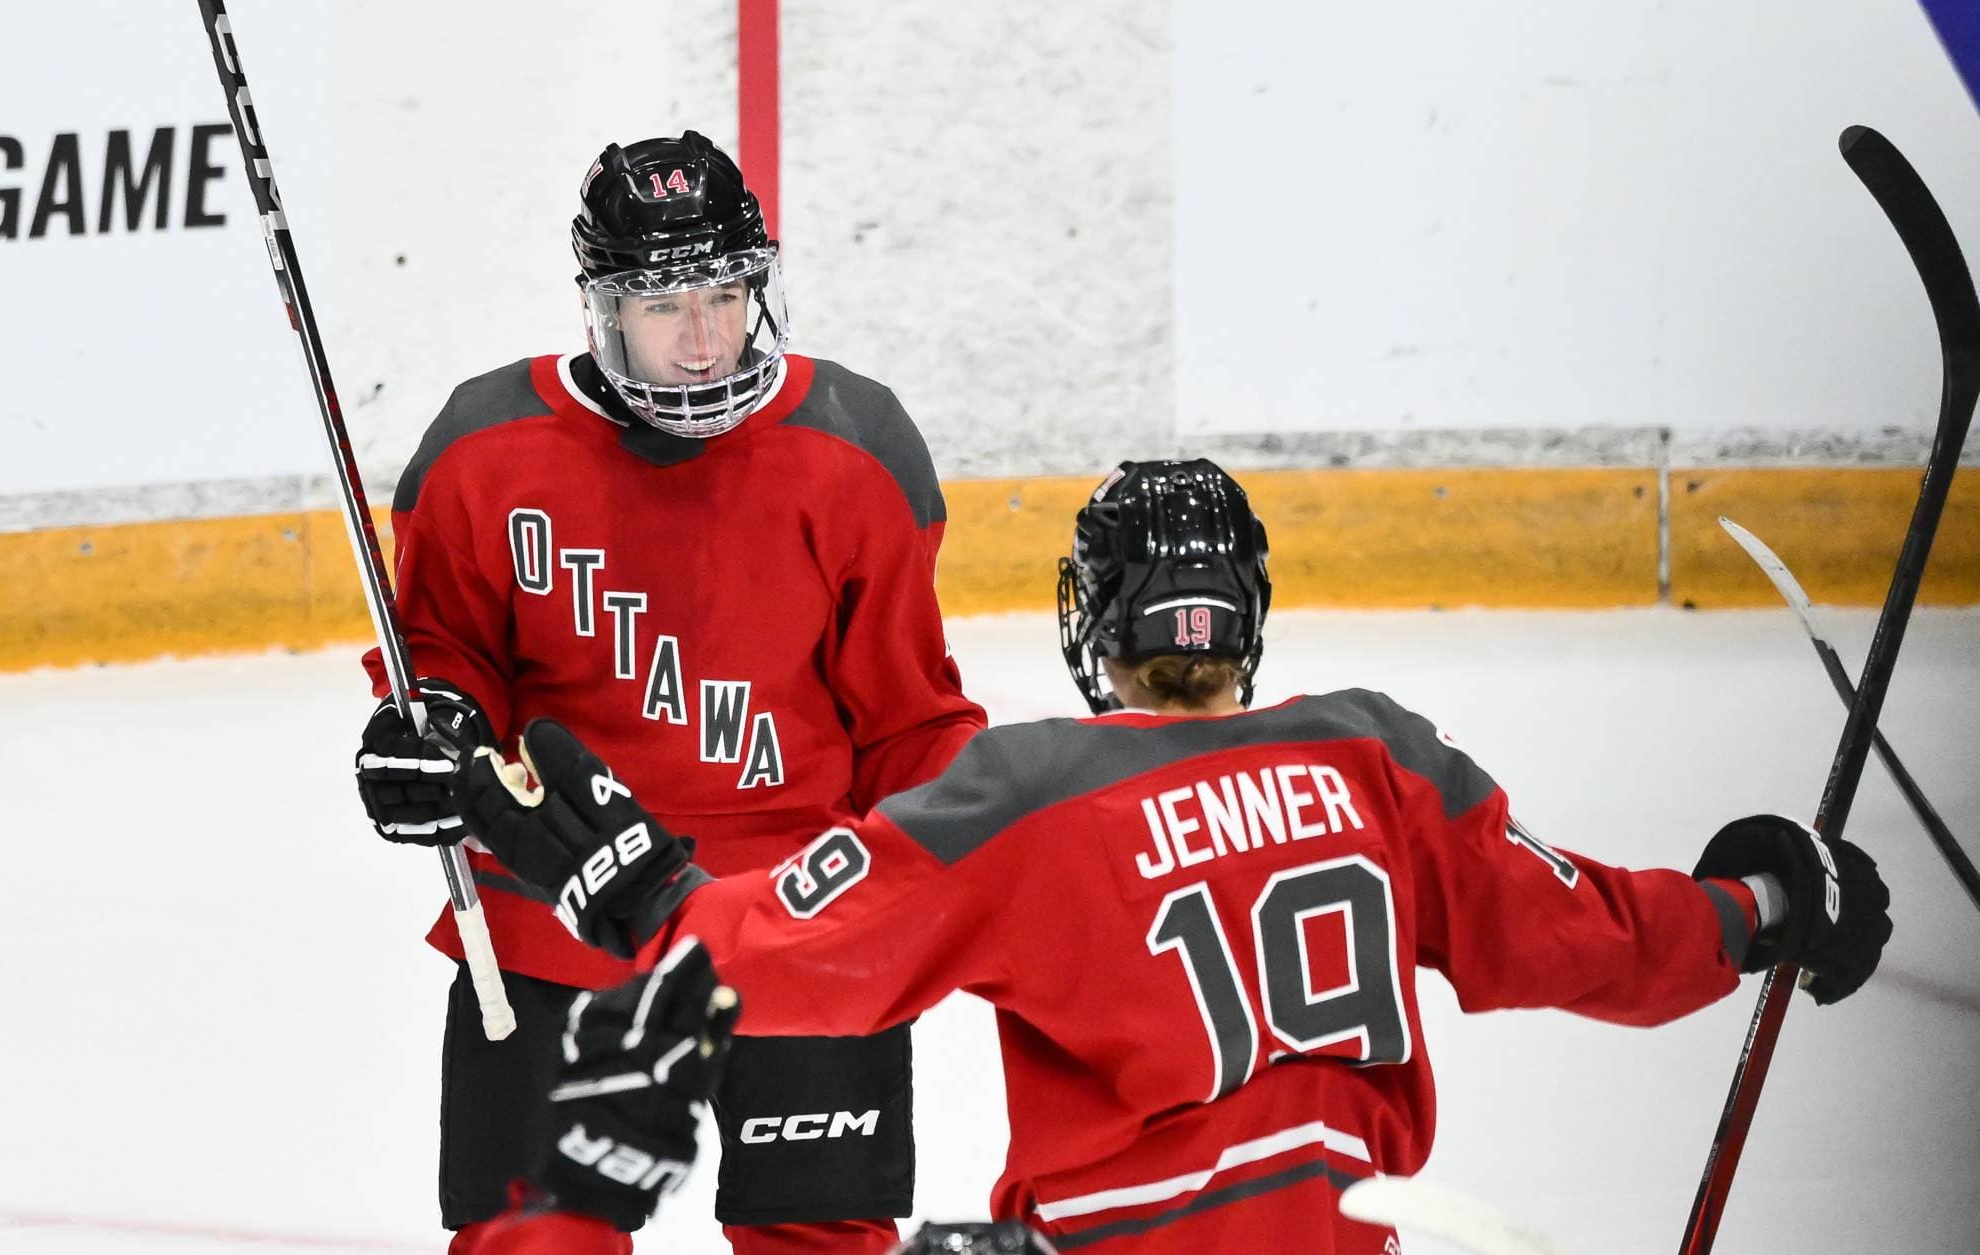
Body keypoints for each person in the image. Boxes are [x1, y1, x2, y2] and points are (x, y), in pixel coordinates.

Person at [437, 458, 1894, 1253]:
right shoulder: (1374, 757)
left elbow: (783, 963)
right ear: (1238, 619)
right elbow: (1599, 941)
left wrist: (650, 895)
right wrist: (1762, 900)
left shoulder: (1021, 789)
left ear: (1094, 624)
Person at [352, 130, 986, 1255]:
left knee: (821, 1239)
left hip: (796, 918)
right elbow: (447, 655)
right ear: (600, 310)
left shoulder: (857, 446)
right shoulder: (482, 451)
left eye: (724, 295)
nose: (702, 341)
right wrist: (430, 731)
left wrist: (973, 864)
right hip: (554, 912)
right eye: (663, 307)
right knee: (528, 1241)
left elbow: (907, 716)